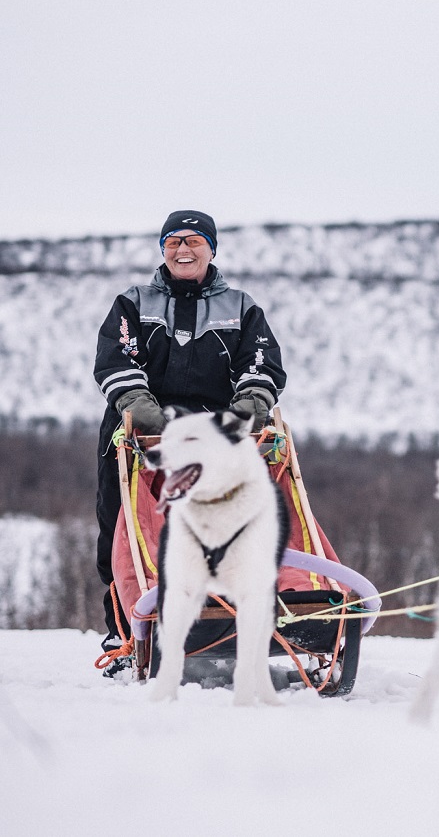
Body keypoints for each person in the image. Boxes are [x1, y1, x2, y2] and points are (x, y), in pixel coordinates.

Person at [92, 210, 287, 675]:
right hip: (138, 432)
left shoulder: (241, 307)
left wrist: (249, 408)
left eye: (194, 241)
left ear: (212, 249)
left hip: (215, 439)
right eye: (174, 241)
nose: (184, 250)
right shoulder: (133, 302)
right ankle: (125, 632)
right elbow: (115, 359)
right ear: (162, 249)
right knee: (123, 530)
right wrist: (144, 410)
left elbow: (261, 365)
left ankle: (241, 612)